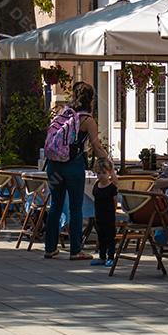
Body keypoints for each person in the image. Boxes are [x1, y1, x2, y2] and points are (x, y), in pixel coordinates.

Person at [43, 81, 111, 260]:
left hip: (54, 166)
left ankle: (50, 248)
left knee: (55, 206)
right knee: (76, 207)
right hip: (73, 166)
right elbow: (96, 146)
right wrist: (107, 159)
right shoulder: (87, 120)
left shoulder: (63, 113)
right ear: (91, 99)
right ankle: (75, 250)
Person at [91, 160, 118, 267]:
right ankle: (102, 257)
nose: (101, 175)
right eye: (98, 173)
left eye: (104, 173)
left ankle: (111, 257)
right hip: (99, 215)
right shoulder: (96, 185)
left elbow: (114, 201)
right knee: (101, 236)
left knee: (110, 237)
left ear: (109, 173)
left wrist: (113, 211)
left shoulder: (112, 188)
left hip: (109, 215)